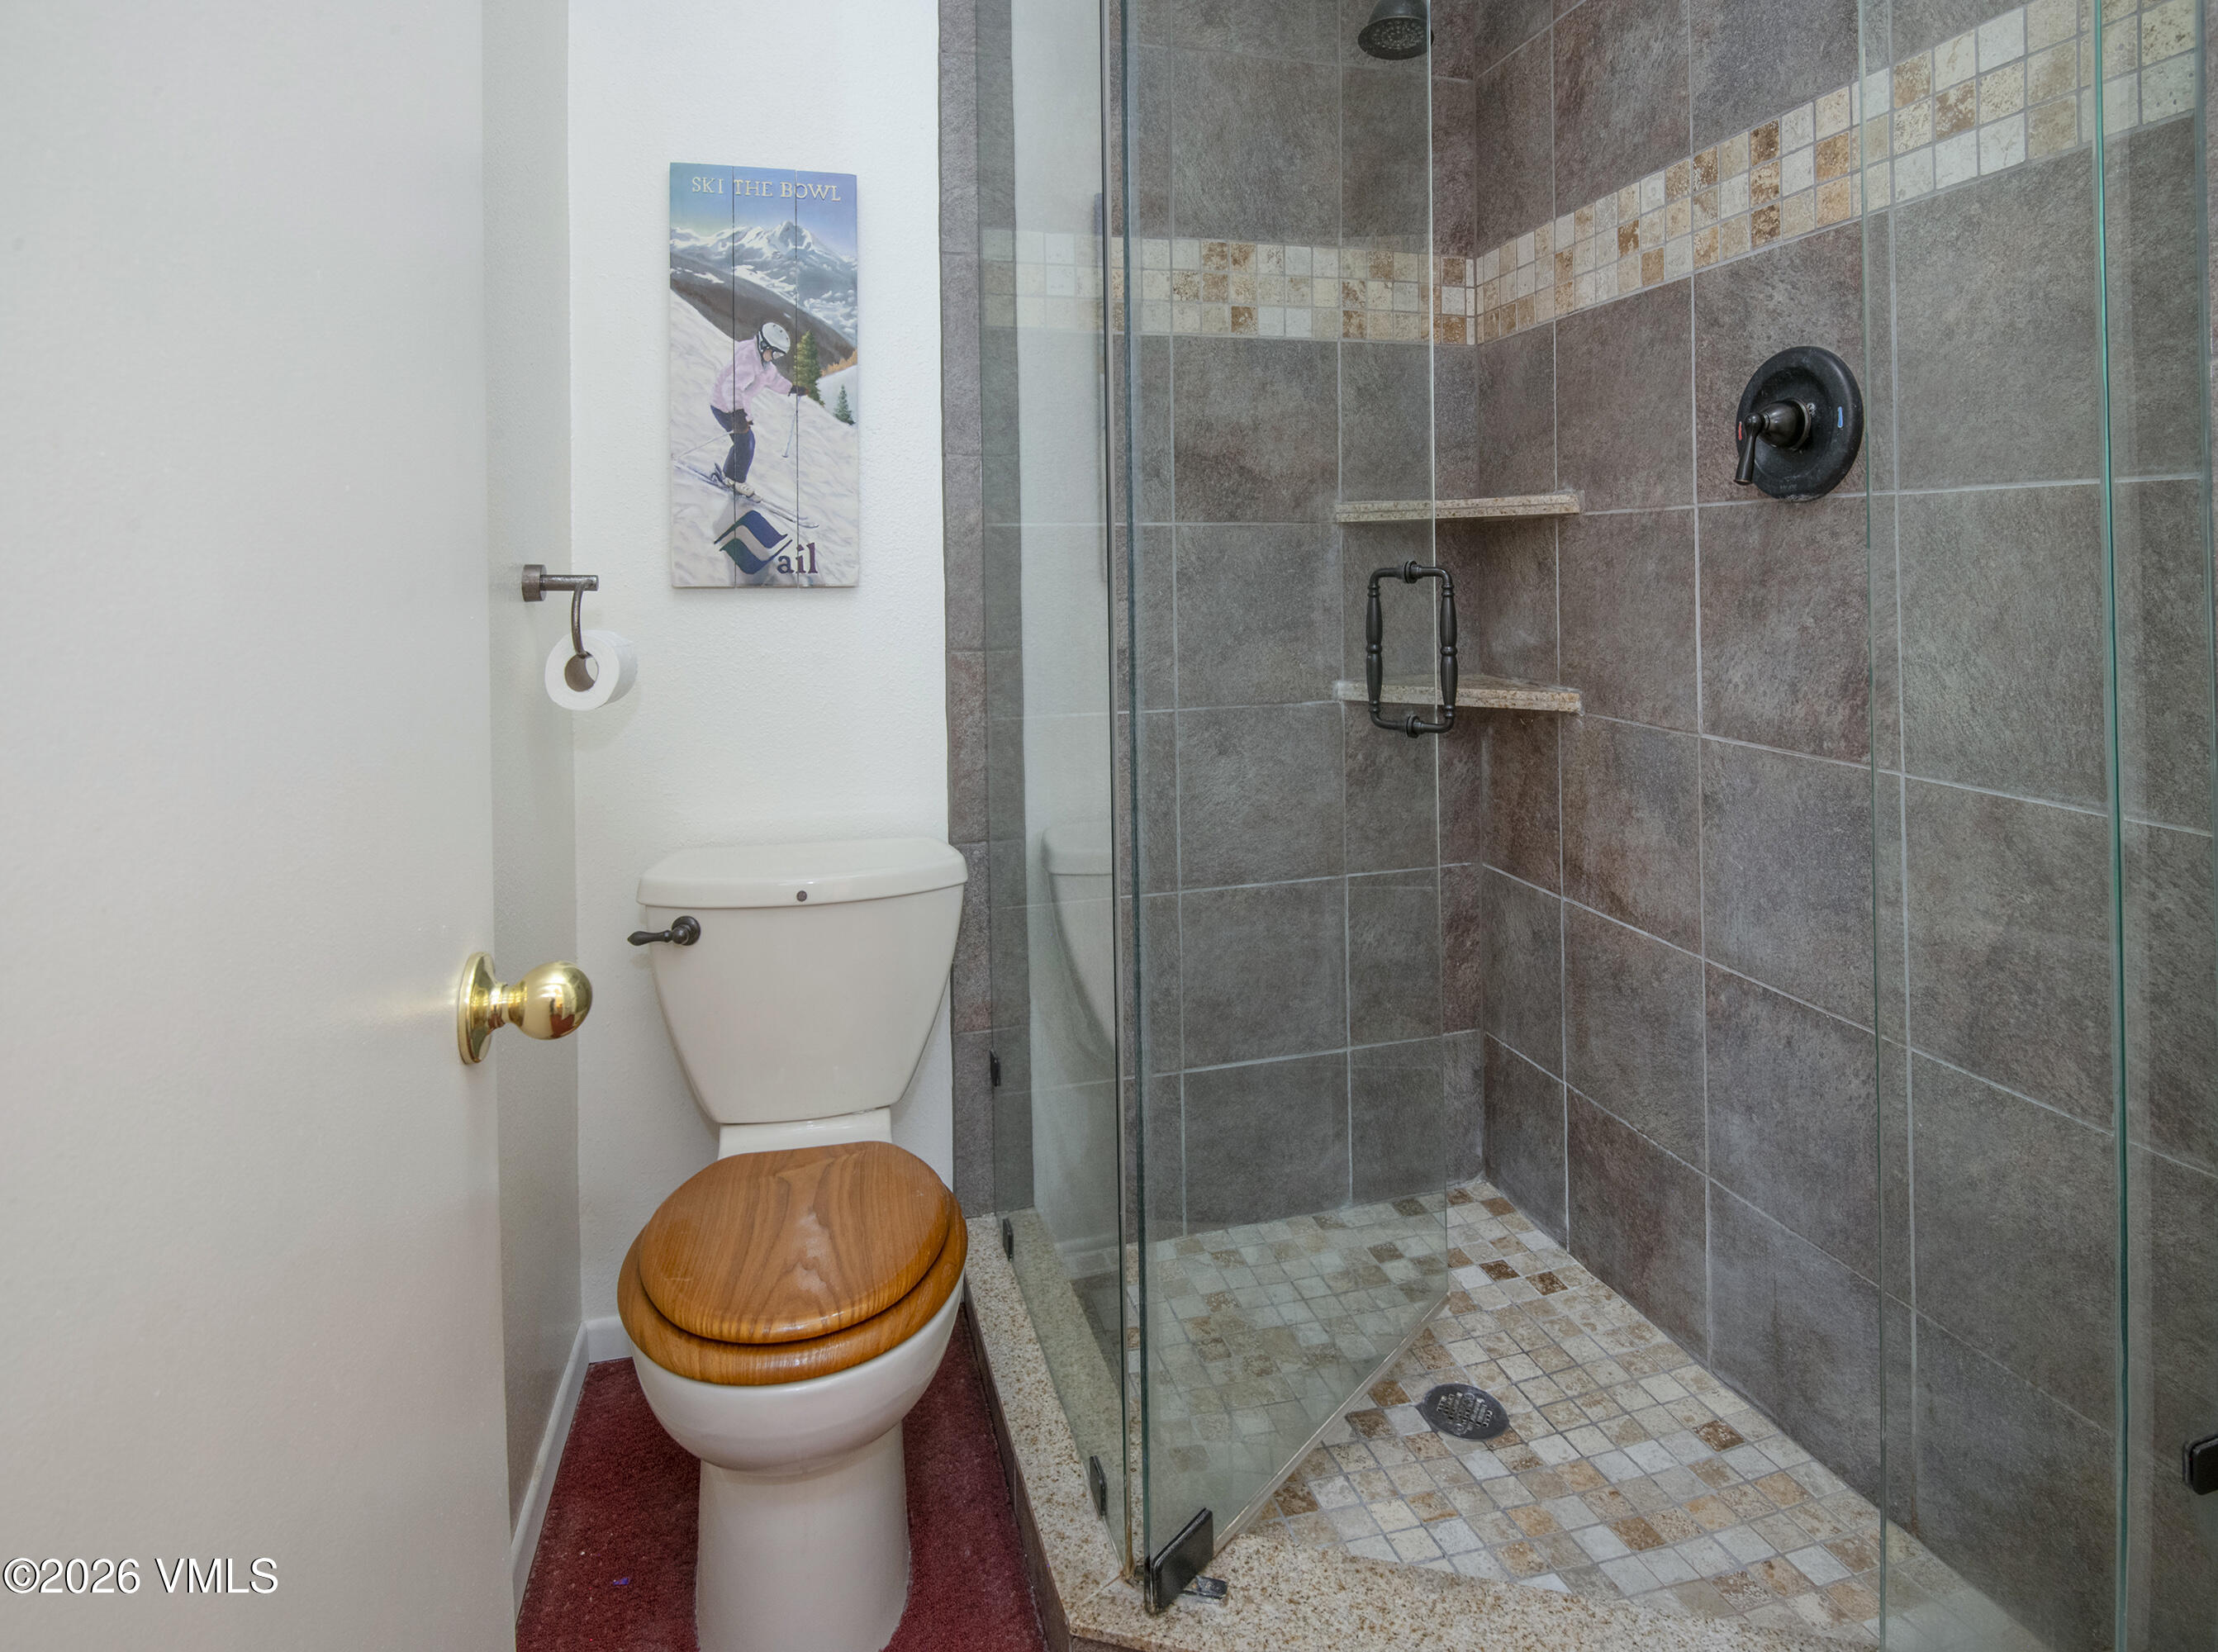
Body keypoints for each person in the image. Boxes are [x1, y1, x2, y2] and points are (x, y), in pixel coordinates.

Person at [709, 321, 802, 495]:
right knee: (745, 442)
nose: (775, 357)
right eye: (774, 353)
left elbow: (773, 380)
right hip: (724, 405)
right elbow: (731, 386)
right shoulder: (748, 360)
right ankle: (733, 479)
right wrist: (737, 414)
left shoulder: (763, 363)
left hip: (737, 408)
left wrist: (791, 388)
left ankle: (731, 476)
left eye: (779, 355)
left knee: (744, 442)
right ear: (763, 344)